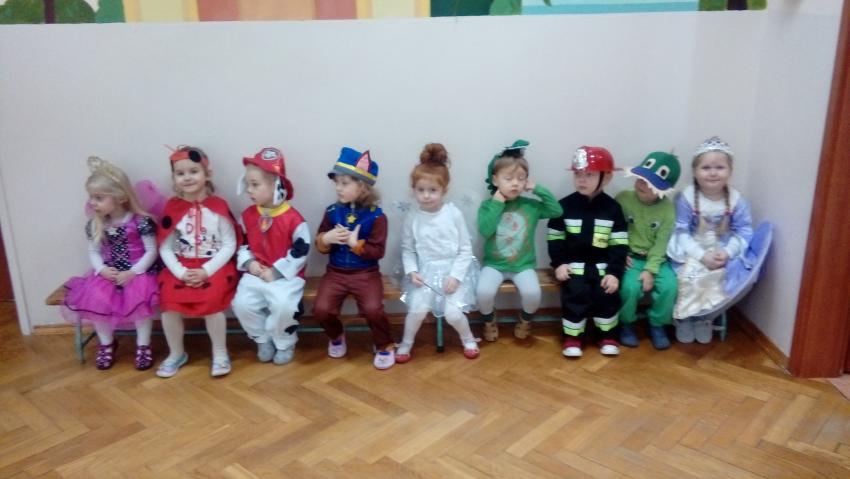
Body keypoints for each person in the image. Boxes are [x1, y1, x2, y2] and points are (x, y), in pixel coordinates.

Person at [61, 157, 160, 370]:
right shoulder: (96, 224)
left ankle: (143, 345)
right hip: (108, 273)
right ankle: (106, 343)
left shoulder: (140, 222)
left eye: (99, 198)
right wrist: (101, 269)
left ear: (121, 197)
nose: (92, 203)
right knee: (97, 299)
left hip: (138, 273)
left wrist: (133, 272)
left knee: (141, 303)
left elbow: (152, 251)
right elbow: (93, 251)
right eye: (91, 197)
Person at [155, 146, 240, 378]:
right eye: (180, 173)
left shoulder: (218, 207)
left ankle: (220, 353)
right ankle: (176, 353)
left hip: (214, 266)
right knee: (169, 303)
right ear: (174, 178)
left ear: (207, 174)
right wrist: (181, 272)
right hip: (181, 266)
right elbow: (165, 246)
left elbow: (229, 244)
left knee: (213, 302)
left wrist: (206, 270)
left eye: (193, 171)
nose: (187, 177)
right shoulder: (172, 208)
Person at [313, 147, 396, 370]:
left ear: (362, 186)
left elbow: (378, 252)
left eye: (345, 183)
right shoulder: (332, 212)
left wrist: (355, 244)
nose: (338, 187)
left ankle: (385, 344)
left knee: (373, 309)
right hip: (336, 272)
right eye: (337, 183)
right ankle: (336, 335)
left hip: (366, 273)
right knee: (321, 309)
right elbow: (319, 244)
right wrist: (326, 238)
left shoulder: (377, 216)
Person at [397, 143, 479, 363]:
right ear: (414, 190)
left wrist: (456, 276)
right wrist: (412, 271)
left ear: (444, 190)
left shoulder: (453, 214)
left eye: (432, 190)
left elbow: (465, 249)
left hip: (453, 271)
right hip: (425, 273)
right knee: (416, 311)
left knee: (453, 314)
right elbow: (407, 249)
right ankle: (406, 343)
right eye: (421, 190)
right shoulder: (413, 217)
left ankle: (468, 339)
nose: (426, 195)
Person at [667, 136, 753, 344]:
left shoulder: (736, 200)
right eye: (706, 168)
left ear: (730, 170)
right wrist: (701, 255)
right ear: (695, 171)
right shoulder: (688, 197)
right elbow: (681, 231)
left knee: (723, 276)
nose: (713, 173)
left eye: (720, 167)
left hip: (722, 246)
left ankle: (705, 318)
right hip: (693, 247)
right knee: (691, 276)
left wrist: (727, 252)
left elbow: (744, 231)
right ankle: (686, 317)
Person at [476, 140, 563, 342]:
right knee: (482, 293)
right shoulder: (488, 206)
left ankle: (524, 320)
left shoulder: (530, 206)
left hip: (522, 266)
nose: (515, 183)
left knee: (533, 294)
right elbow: (485, 231)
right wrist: (497, 204)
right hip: (494, 265)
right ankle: (489, 320)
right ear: (495, 180)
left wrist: (538, 189)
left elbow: (556, 211)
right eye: (508, 178)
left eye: (521, 178)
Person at [547, 146, 628, 357]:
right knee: (574, 296)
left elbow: (619, 245)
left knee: (607, 297)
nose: (581, 180)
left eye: (589, 175)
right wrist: (559, 264)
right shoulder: (563, 206)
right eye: (578, 174)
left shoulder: (613, 209)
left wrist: (614, 273)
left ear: (606, 177)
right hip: (573, 267)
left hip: (603, 267)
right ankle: (573, 338)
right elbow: (555, 239)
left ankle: (607, 335)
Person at [232, 147, 310, 365]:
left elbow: (301, 252)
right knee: (241, 304)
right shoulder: (247, 216)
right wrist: (250, 263)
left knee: (284, 306)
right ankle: (262, 339)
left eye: (255, 185)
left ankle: (284, 342)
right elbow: (242, 244)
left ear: (275, 185)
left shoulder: (294, 219)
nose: (249, 190)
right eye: (247, 184)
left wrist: (276, 272)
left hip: (286, 277)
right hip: (256, 272)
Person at [615, 151, 681, 350]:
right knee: (629, 288)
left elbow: (661, 243)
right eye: (640, 179)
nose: (642, 184)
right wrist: (620, 253)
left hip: (657, 260)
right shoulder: (623, 199)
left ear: (662, 189)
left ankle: (657, 324)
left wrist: (650, 270)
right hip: (629, 257)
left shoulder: (667, 209)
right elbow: (613, 229)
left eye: (649, 183)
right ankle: (626, 323)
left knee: (670, 287)